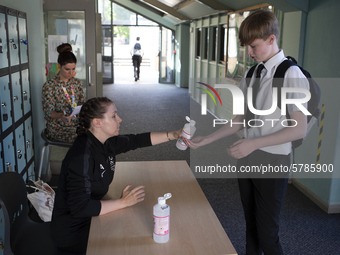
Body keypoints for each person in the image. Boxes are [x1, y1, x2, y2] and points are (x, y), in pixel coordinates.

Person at [187, 10, 309, 255]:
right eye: (247, 47)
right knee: (251, 225)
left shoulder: (290, 74)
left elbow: (299, 128)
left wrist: (252, 144)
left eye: (254, 46)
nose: (249, 53)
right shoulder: (252, 73)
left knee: (268, 234)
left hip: (273, 160)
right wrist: (208, 139)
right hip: (248, 158)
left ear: (272, 39)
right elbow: (240, 120)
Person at [51, 97, 182, 254]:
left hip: (93, 215)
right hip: (73, 231)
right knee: (132, 241)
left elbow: (136, 140)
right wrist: (123, 202)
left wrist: (172, 135)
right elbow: (80, 208)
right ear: (97, 122)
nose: (120, 119)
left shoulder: (106, 142)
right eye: (113, 116)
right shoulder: (81, 157)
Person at [42, 43, 85, 143]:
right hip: (58, 128)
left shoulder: (77, 83)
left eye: (73, 69)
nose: (71, 73)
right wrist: (61, 115)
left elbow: (82, 104)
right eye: (67, 69)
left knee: (98, 134)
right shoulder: (50, 86)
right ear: (59, 66)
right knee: (86, 139)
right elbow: (49, 113)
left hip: (76, 124)